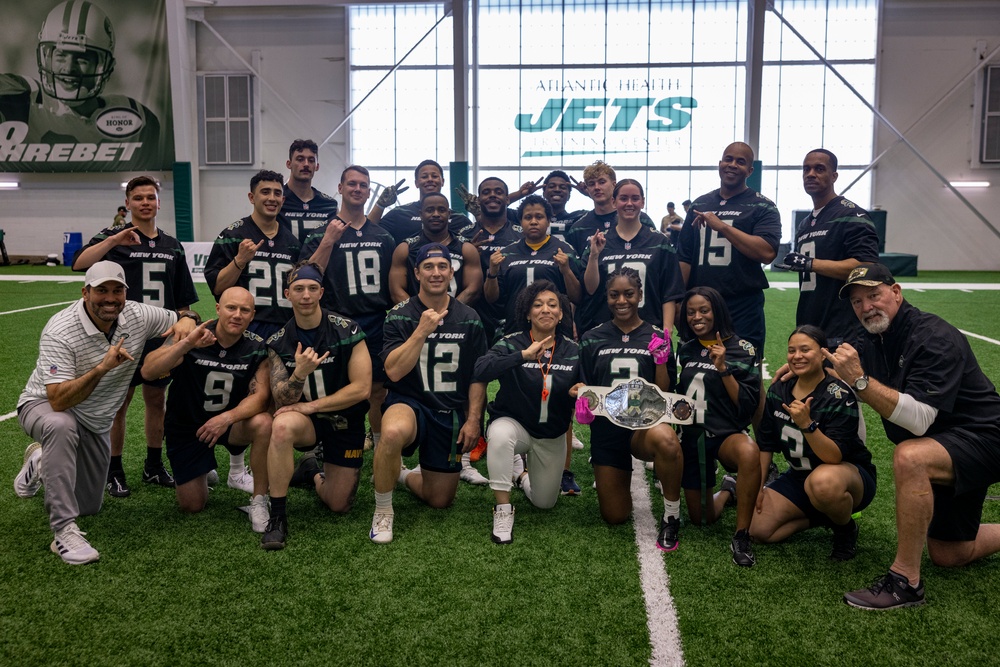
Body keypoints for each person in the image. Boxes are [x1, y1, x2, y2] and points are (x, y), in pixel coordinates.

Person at [825, 263, 1000, 610]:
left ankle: (905, 582)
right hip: (947, 443)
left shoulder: (933, 336)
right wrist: (807, 360)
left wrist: (860, 381)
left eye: (873, 295)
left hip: (986, 438)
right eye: (857, 301)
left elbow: (918, 421)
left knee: (911, 456)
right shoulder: (873, 336)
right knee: (951, 554)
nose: (866, 307)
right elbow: (833, 351)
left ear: (896, 292)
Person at [14, 261, 194, 564]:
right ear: (85, 292)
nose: (110, 298)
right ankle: (62, 532)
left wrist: (187, 320)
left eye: (117, 290)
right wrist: (102, 368)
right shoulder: (60, 329)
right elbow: (58, 400)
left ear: (125, 293)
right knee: (60, 426)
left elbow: (183, 315)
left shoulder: (136, 313)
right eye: (101, 290)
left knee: (89, 505)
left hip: (95, 421)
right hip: (44, 407)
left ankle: (41, 462)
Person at [72, 175, 202, 498]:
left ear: (159, 203)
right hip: (123, 334)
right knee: (119, 403)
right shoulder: (112, 238)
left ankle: (153, 465)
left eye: (151, 197)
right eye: (139, 197)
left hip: (160, 334)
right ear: (128, 203)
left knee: (157, 399)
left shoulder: (172, 245)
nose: (145, 202)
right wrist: (114, 241)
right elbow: (78, 264)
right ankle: (113, 469)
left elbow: (182, 299)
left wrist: (182, 328)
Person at [369, 243, 488, 544]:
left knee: (440, 499)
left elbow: (477, 376)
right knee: (392, 432)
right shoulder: (399, 315)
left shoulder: (470, 317)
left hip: (448, 411)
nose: (436, 273)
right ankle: (383, 511)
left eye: (442, 267)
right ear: (417, 273)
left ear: (451, 272)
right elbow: (393, 372)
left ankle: (404, 475)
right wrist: (421, 331)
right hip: (410, 402)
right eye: (429, 267)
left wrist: (473, 419)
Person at [138, 287, 273, 532]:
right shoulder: (195, 335)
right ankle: (201, 469)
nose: (237, 315)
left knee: (263, 422)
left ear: (252, 315)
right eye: (231, 308)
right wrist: (186, 345)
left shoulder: (256, 347)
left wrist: (226, 418)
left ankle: (260, 500)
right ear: (218, 309)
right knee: (192, 505)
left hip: (227, 425)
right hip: (187, 426)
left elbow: (261, 397)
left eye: (245, 310)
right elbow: (148, 370)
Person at [261, 262, 372, 550]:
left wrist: (312, 407)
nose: (306, 295)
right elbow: (282, 400)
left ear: (321, 292)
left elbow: (362, 388)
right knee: (281, 425)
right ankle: (277, 516)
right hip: (307, 423)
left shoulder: (347, 330)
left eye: (312, 288)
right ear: (288, 294)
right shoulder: (278, 341)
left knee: (339, 504)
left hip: (344, 419)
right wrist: (299, 373)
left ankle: (310, 471)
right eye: (299, 289)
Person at [576, 267, 684, 551]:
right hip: (607, 430)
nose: (621, 300)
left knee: (667, 439)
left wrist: (660, 360)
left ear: (640, 296)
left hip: (644, 427)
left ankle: (672, 515)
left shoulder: (657, 335)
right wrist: (582, 401)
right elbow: (583, 383)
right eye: (614, 295)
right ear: (607, 297)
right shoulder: (591, 338)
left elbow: (666, 391)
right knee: (615, 516)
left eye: (628, 294)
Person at [751, 325, 876, 562]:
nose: (797, 356)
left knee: (822, 483)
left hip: (846, 477)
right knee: (759, 530)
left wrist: (807, 424)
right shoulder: (779, 391)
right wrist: (758, 486)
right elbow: (766, 443)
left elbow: (834, 457)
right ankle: (824, 516)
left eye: (805, 350)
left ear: (822, 354)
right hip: (800, 475)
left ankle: (845, 528)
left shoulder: (838, 395)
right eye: (791, 350)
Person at [0, 0, 164, 172]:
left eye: (82, 58)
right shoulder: (19, 97)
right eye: (61, 55)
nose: (69, 68)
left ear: (103, 66)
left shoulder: (134, 120)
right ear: (46, 57)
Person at [474, 281, 579, 544]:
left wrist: (581, 390)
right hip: (515, 426)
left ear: (561, 313)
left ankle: (521, 476)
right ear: (528, 313)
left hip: (550, 433)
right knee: (499, 435)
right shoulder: (513, 342)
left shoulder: (574, 351)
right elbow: (480, 369)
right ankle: (502, 508)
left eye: (552, 305)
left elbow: (588, 386)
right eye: (538, 305)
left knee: (544, 503)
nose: (546, 309)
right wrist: (522, 355)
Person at [301, 165, 396, 453]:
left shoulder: (383, 236)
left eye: (363, 185)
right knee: (335, 387)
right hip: (335, 322)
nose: (357, 189)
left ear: (369, 192)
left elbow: (392, 283)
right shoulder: (319, 234)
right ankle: (325, 446)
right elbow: (306, 275)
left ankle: (380, 448)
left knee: (378, 390)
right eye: (351, 184)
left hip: (375, 321)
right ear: (340, 188)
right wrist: (329, 240)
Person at [676, 287, 763, 567]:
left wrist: (724, 368)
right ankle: (728, 489)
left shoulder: (743, 348)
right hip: (693, 437)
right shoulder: (687, 348)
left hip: (726, 434)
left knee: (748, 452)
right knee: (703, 519)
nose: (697, 317)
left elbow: (747, 406)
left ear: (717, 311)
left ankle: (742, 534)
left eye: (704, 310)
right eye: (691, 312)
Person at [677, 142, 781, 351]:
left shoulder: (763, 206)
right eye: (728, 159)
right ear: (719, 164)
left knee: (748, 369)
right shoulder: (700, 204)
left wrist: (722, 227)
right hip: (701, 305)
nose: (732, 165)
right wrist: (679, 302)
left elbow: (767, 252)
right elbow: (685, 257)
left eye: (740, 162)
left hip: (741, 304)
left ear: (750, 171)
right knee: (697, 367)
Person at [777, 149, 880, 348]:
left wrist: (811, 263)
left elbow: (867, 268)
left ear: (834, 176)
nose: (810, 174)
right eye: (806, 169)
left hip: (843, 328)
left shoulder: (851, 215)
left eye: (819, 169)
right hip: (811, 323)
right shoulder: (806, 223)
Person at [204, 169, 301, 340]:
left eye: (277, 193)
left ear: (283, 199)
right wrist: (239, 261)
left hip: (285, 328)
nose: (272, 198)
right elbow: (217, 287)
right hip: (245, 329)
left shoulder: (292, 241)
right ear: (251, 197)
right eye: (265, 192)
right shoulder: (232, 236)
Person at [580, 179, 684, 335]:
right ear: (614, 202)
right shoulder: (599, 241)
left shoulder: (660, 243)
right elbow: (590, 288)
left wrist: (666, 333)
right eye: (623, 198)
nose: (629, 203)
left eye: (635, 198)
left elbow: (669, 294)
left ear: (642, 202)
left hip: (649, 333)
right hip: (607, 333)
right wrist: (594, 255)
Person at [388, 192, 483, 306]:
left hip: (457, 320)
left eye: (441, 210)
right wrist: (419, 314)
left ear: (449, 214)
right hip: (416, 320)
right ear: (421, 214)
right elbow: (396, 291)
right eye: (430, 210)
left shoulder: (466, 248)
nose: (436, 214)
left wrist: (449, 313)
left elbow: (473, 290)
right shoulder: (405, 249)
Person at [463, 177, 524, 344]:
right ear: (479, 199)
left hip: (513, 313)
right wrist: (467, 253)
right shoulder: (464, 235)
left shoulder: (522, 235)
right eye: (486, 192)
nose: (492, 195)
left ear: (507, 199)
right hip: (475, 312)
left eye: (498, 192)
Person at [369, 159, 473, 244]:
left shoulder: (459, 219)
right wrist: (380, 205)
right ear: (416, 183)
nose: (430, 179)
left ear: (442, 182)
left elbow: (482, 237)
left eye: (435, 176)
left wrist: (478, 214)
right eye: (424, 177)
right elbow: (368, 231)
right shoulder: (399, 213)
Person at [564, 161, 655, 258]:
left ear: (614, 184)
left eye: (602, 182)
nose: (597, 187)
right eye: (591, 184)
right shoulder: (578, 228)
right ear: (587, 189)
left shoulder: (640, 219)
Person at [278, 138, 339, 243]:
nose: (306, 164)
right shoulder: (276, 199)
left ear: (317, 166)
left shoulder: (329, 205)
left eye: (311, 160)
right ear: (289, 164)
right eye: (300, 159)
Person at [541, 170, 586, 244]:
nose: (557, 190)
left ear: (569, 196)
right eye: (552, 186)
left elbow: (606, 210)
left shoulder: (579, 217)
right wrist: (520, 194)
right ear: (544, 194)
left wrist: (589, 193)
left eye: (562, 187)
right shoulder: (531, 219)